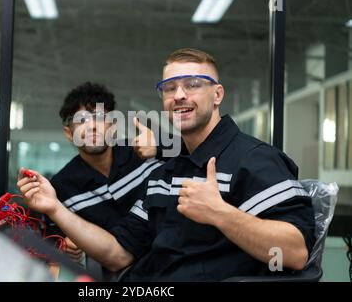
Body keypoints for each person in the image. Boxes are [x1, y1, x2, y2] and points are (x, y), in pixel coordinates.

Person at [17, 48, 315, 281]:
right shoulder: (165, 172)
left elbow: (295, 252)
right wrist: (55, 207)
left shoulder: (254, 159)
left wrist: (221, 214)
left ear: (218, 95)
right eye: (169, 88)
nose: (179, 95)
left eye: (193, 84)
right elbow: (118, 254)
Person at [40, 82, 165, 276]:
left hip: (172, 264)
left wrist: (160, 147)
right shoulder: (61, 187)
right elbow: (53, 240)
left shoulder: (145, 153)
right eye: (81, 120)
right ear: (69, 133)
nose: (91, 127)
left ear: (113, 126)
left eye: (99, 117)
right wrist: (66, 243)